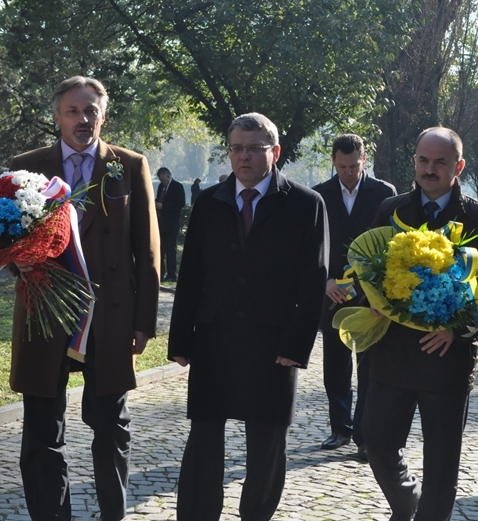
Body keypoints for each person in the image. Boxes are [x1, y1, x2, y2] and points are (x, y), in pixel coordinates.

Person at [9, 75, 161, 520]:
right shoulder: (27, 166)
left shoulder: (129, 165)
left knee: (112, 426)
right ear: (56, 116)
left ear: (104, 115)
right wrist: (16, 258)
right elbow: (3, 234)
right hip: (45, 314)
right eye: (73, 110)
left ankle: (113, 513)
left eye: (91, 110)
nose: (83, 118)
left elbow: (147, 251)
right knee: (41, 430)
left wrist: (143, 321)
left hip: (110, 318)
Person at [168, 112, 328, 521]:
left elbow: (314, 284)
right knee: (204, 439)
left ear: (274, 153)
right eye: (236, 148)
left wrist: (296, 345)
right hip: (214, 339)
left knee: (267, 442)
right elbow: (191, 276)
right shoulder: (208, 202)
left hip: (274, 344)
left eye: (254, 149)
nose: (243, 157)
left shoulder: (305, 204)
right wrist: (180, 340)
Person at [363, 127, 478, 520]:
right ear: (414, 160)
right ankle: (406, 501)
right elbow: (366, 268)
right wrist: (371, 302)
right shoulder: (390, 210)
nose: (429, 170)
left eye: (440, 162)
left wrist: (460, 329)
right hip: (390, 354)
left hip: (447, 357)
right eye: (423, 160)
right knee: (377, 443)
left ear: (458, 166)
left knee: (442, 464)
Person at [312, 134, 396, 459]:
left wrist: (379, 292)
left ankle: (364, 434)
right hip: (332, 293)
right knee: (335, 365)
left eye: (354, 165)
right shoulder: (319, 195)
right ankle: (340, 429)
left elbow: (391, 246)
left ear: (364, 159)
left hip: (371, 295)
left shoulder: (384, 194)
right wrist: (325, 280)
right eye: (342, 166)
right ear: (333, 161)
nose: (348, 172)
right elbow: (311, 246)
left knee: (370, 367)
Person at [156, 167, 186, 282]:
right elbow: (159, 198)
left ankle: (171, 274)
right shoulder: (160, 187)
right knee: (161, 248)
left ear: (168, 176)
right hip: (161, 222)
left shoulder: (177, 187)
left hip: (172, 222)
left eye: (163, 179)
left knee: (170, 249)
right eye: (160, 180)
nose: (162, 182)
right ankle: (160, 272)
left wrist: (164, 206)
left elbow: (181, 203)